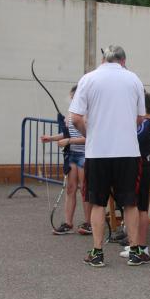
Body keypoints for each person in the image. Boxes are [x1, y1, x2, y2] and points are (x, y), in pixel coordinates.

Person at [69, 45, 145, 267]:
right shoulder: (134, 79)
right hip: (127, 151)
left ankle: (97, 252)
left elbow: (74, 118)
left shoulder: (88, 79)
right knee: (130, 202)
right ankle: (134, 252)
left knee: (97, 203)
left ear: (103, 59)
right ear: (123, 60)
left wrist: (89, 134)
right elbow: (141, 118)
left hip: (98, 151)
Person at [40, 85, 91, 235]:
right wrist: (50, 138)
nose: (70, 100)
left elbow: (89, 138)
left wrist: (69, 141)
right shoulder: (70, 115)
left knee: (85, 190)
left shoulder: (87, 115)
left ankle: (89, 223)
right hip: (72, 156)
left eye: (72, 97)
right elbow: (66, 133)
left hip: (84, 155)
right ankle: (68, 223)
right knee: (70, 188)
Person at [119, 92, 150, 265]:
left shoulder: (143, 125)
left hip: (141, 167)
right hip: (146, 166)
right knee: (137, 206)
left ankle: (141, 246)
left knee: (139, 207)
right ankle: (136, 244)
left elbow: (128, 140)